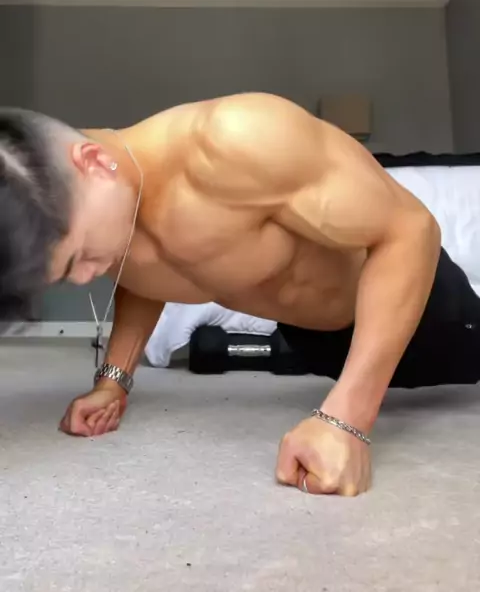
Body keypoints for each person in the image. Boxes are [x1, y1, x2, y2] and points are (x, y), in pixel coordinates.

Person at [1, 93, 479, 497]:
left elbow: (409, 229)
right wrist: (113, 380)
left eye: (81, 256)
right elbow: (143, 277)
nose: (85, 277)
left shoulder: (237, 141)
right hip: (315, 342)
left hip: (417, 312)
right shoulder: (112, 215)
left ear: (93, 162)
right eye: (66, 274)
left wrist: (346, 421)